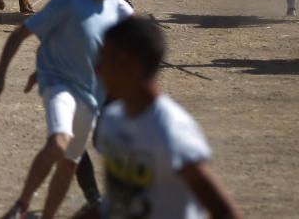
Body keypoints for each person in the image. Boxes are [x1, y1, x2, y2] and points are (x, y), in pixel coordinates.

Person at [0, 0, 135, 219]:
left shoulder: (118, 6)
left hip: (93, 94)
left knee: (69, 164)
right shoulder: (66, 2)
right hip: (60, 85)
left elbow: (122, 43)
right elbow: (22, 34)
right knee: (59, 143)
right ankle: (21, 205)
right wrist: (0, 77)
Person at [92, 17, 242, 219]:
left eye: (104, 60)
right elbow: (117, 202)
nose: (97, 70)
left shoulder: (171, 131)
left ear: (129, 64)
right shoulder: (112, 120)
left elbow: (224, 211)